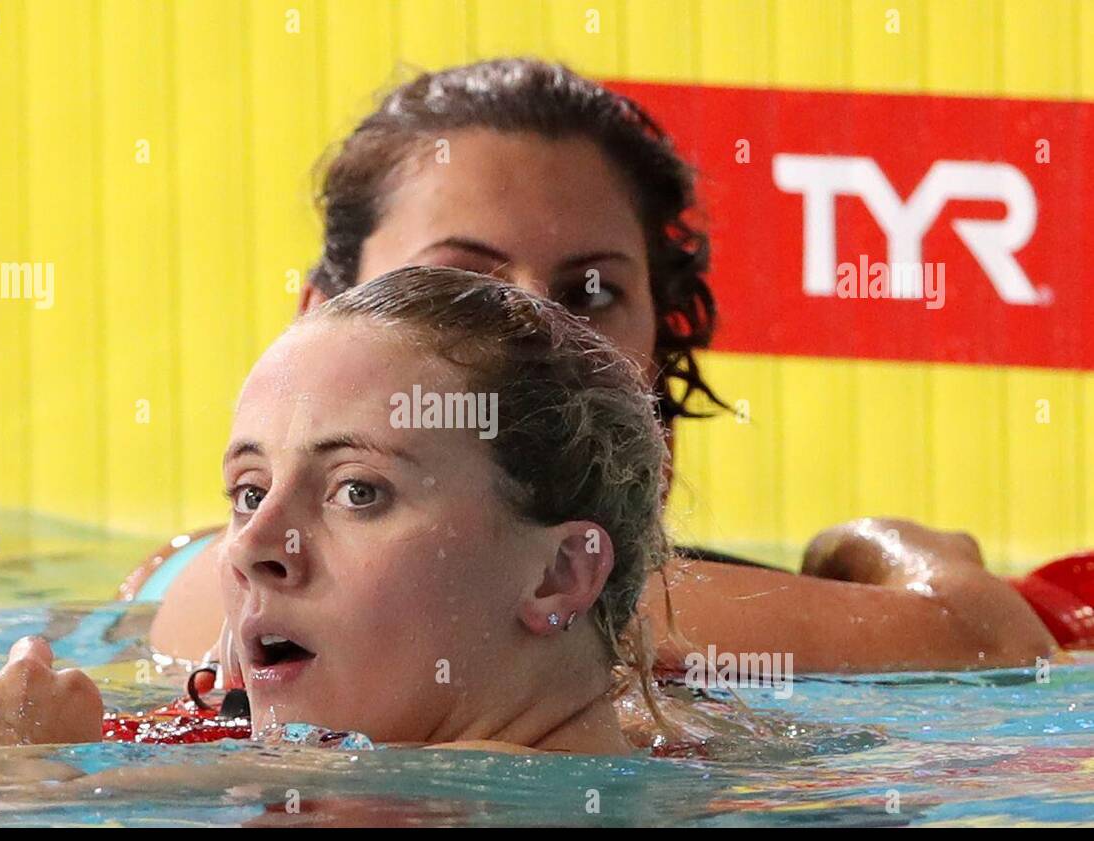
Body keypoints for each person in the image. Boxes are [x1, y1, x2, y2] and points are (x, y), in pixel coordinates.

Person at [132, 57, 1056, 673]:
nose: (541, 334)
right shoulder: (259, 577)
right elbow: (982, 641)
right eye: (460, 284)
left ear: (659, 335)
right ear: (319, 319)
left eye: (589, 292)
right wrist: (883, 547)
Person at [0, 267, 758, 755]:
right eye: (249, 492)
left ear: (561, 572)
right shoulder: (688, 749)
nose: (254, 547)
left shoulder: (389, 801)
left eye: (358, 492)